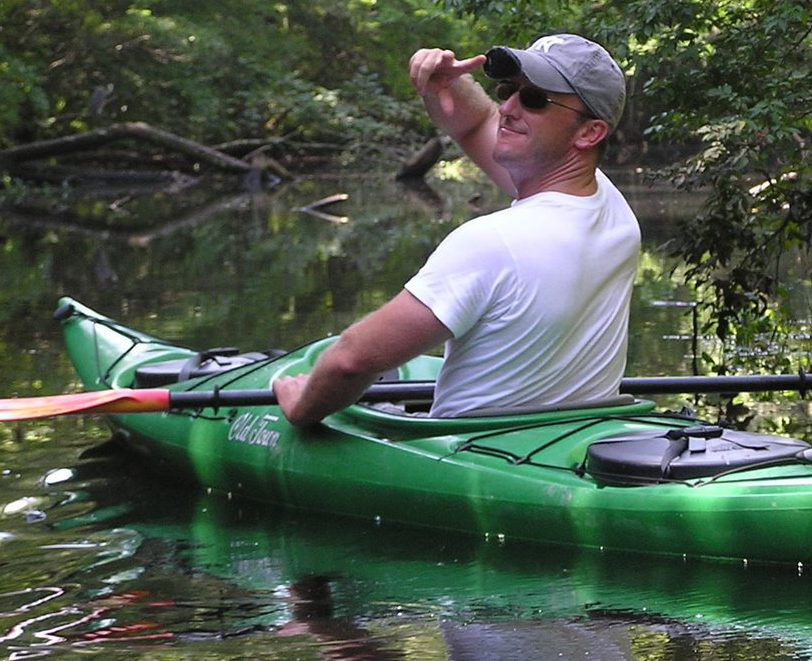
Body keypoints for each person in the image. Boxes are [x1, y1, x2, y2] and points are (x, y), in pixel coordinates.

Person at [273, 34, 640, 425]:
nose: (508, 108)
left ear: (589, 133)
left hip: (473, 457)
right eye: (508, 90)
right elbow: (478, 121)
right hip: (562, 443)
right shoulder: (612, 211)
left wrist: (301, 406)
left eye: (534, 100)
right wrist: (444, 85)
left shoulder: (492, 242)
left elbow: (350, 361)